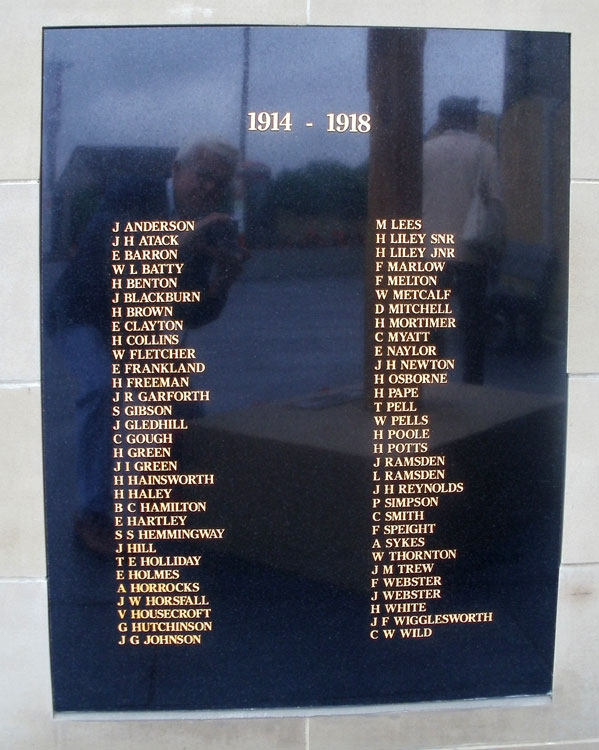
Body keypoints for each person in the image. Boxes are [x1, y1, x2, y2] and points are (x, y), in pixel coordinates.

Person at [49, 139, 246, 555]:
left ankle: (161, 501)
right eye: (203, 175)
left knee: (185, 405)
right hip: (82, 312)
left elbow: (190, 313)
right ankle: (93, 515)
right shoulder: (132, 191)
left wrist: (222, 281)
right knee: (100, 388)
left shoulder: (205, 225)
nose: (209, 188)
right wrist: (185, 237)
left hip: (137, 324)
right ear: (176, 170)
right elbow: (113, 250)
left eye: (220, 182)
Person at [423, 97, 504, 384]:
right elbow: (494, 203)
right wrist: (495, 245)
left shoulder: (425, 151)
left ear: (443, 118)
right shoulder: (484, 151)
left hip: (431, 249)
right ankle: (472, 385)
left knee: (431, 322)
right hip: (472, 248)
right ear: (471, 119)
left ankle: (433, 384)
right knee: (473, 322)